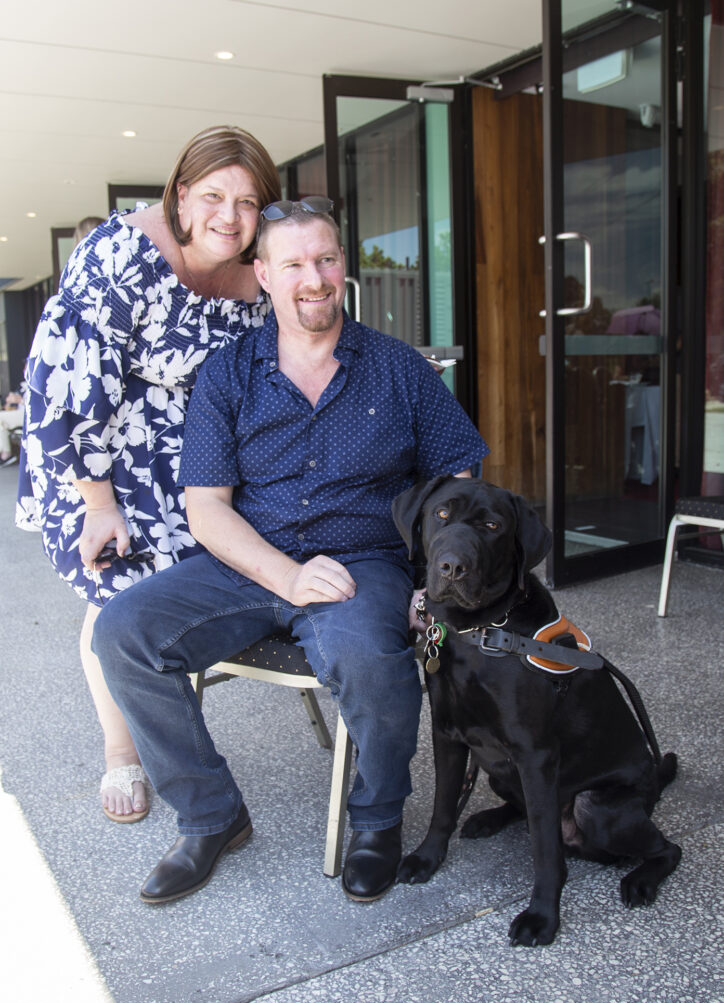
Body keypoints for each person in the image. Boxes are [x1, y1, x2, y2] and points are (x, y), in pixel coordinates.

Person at [92, 197, 489, 905]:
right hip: (247, 559)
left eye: (327, 259)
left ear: (344, 267)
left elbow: (459, 476)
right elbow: (206, 507)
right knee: (122, 632)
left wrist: (428, 581)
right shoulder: (228, 373)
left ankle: (375, 821)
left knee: (374, 661)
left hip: (361, 560)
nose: (315, 277)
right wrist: (283, 573)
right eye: (295, 263)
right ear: (265, 276)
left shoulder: (399, 370)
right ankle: (211, 816)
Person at [16, 126, 281, 824]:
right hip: (95, 447)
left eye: (249, 202)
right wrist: (98, 503)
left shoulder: (261, 275)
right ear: (182, 194)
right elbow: (68, 386)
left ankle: (171, 733)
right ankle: (121, 753)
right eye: (215, 195)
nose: (230, 216)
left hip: (194, 456)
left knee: (182, 596)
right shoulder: (122, 253)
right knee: (116, 594)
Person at [0, 389, 24, 466]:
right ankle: (5, 454)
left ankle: (6, 453)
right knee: (2, 425)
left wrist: (20, 400)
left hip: (29, 413)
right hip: (17, 409)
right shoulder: (22, 385)